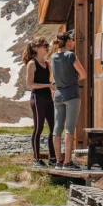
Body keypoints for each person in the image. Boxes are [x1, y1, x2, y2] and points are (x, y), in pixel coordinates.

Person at [50, 31, 87, 170]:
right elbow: (83, 74)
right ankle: (68, 162)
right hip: (71, 95)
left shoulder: (53, 57)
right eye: (72, 39)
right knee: (69, 129)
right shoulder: (71, 55)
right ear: (67, 41)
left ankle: (59, 162)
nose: (74, 42)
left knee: (57, 129)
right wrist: (74, 77)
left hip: (58, 95)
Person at [23, 36, 57, 168]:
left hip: (48, 98)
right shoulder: (32, 64)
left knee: (54, 127)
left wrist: (51, 85)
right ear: (36, 48)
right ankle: (36, 158)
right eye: (45, 45)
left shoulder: (47, 63)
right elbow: (30, 84)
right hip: (37, 98)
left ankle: (52, 157)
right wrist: (48, 85)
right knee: (39, 127)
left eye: (47, 45)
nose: (47, 48)